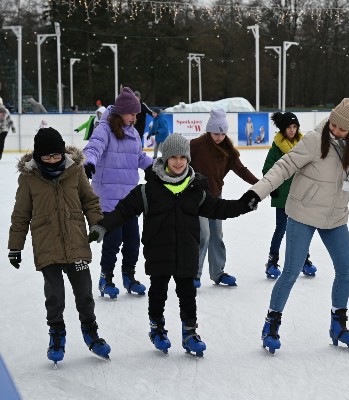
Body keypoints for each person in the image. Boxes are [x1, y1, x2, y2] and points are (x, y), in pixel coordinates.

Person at [87, 134, 260, 356]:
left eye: (182, 158)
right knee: (157, 292)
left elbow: (221, 209)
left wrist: (245, 204)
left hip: (187, 252)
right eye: (173, 157)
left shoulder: (196, 191)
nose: (178, 162)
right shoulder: (148, 190)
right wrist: (103, 226)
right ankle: (157, 329)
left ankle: (190, 332)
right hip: (158, 252)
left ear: (188, 160)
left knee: (187, 294)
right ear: (165, 159)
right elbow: (123, 211)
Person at [250, 98, 349, 355]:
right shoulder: (315, 139)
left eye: (342, 129)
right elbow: (284, 166)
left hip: (335, 217)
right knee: (291, 271)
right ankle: (271, 324)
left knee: (345, 270)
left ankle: (338, 325)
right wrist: (257, 192)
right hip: (303, 213)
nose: (336, 131)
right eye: (334, 125)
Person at [8, 127, 111, 365]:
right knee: (54, 296)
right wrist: (15, 246)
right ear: (37, 157)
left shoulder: (75, 171)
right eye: (47, 157)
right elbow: (20, 214)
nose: (53, 160)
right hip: (47, 245)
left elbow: (91, 202)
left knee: (84, 293)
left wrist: (97, 225)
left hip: (75, 242)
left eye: (56, 155)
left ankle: (91, 331)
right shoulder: (28, 178)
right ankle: (56, 333)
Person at [83, 87, 154, 299]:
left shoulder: (132, 132)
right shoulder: (104, 129)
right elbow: (93, 148)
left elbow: (138, 156)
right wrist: (89, 162)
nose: (135, 118)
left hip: (130, 199)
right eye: (132, 114)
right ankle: (106, 278)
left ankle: (129, 276)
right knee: (113, 241)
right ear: (121, 112)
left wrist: (151, 167)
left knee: (133, 241)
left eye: (136, 114)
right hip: (108, 200)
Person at [190, 109, 259, 287]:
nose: (219, 137)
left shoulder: (227, 150)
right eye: (216, 133)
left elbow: (241, 170)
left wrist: (260, 185)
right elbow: (179, 162)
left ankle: (218, 273)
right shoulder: (196, 145)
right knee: (203, 235)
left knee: (216, 236)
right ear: (208, 130)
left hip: (216, 196)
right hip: (197, 197)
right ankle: (194, 275)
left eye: (222, 133)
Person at [262, 112, 317, 280]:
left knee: (302, 230)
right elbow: (267, 169)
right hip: (283, 196)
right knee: (281, 229)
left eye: (295, 127)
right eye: (289, 127)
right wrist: (273, 187)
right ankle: (272, 261)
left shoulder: (305, 145)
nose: (292, 130)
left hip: (300, 195)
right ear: (283, 129)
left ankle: (304, 260)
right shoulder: (276, 148)